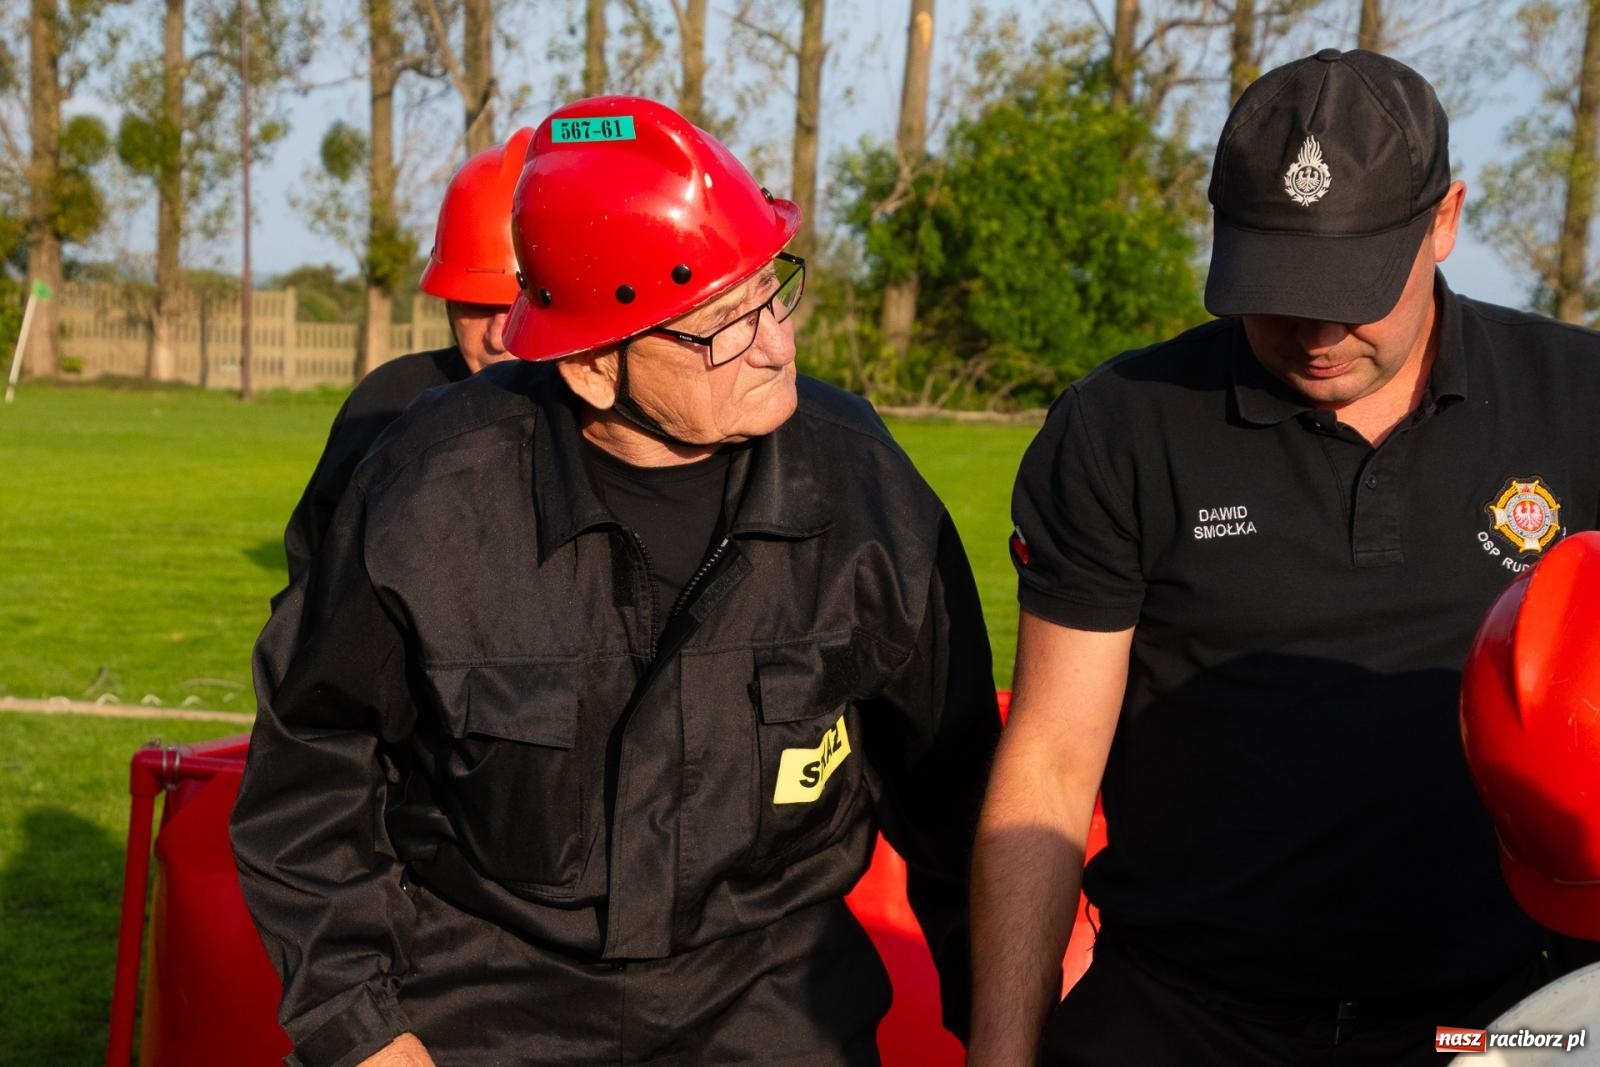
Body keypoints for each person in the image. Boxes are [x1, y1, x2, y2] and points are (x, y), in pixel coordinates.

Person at [232, 95, 999, 1067]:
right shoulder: (430, 492)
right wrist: (364, 1032)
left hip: (769, 994)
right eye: (719, 325)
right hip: (481, 991)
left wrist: (1002, 1029)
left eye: (772, 291)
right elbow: (311, 770)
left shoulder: (862, 491)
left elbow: (960, 793)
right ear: (592, 365)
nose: (774, 342)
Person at [969, 48, 1600, 1066]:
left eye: (1350, 288)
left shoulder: (1579, 400)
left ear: (1443, 220)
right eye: (1276, 286)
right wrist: (1000, 1056)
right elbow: (1049, 760)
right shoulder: (1123, 426)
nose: (1313, 331)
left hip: (1500, 1014)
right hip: (1186, 1013)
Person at [279, 127, 532, 590]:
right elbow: (313, 566)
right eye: (476, 305)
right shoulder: (387, 405)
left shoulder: (623, 422)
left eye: (519, 306)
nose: (499, 336)